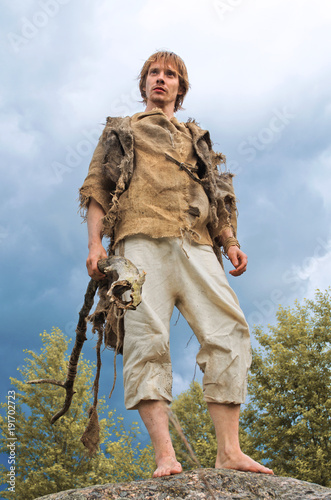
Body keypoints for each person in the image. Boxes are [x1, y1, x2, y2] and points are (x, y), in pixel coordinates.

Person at [79, 51, 273, 478]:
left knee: (229, 331)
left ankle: (229, 451)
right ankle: (166, 455)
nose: (160, 79)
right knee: (147, 341)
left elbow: (216, 193)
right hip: (140, 241)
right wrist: (95, 243)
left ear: (181, 88)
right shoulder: (123, 130)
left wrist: (231, 241)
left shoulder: (195, 137)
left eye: (170, 75)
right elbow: (98, 186)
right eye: (153, 73)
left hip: (197, 242)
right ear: (144, 83)